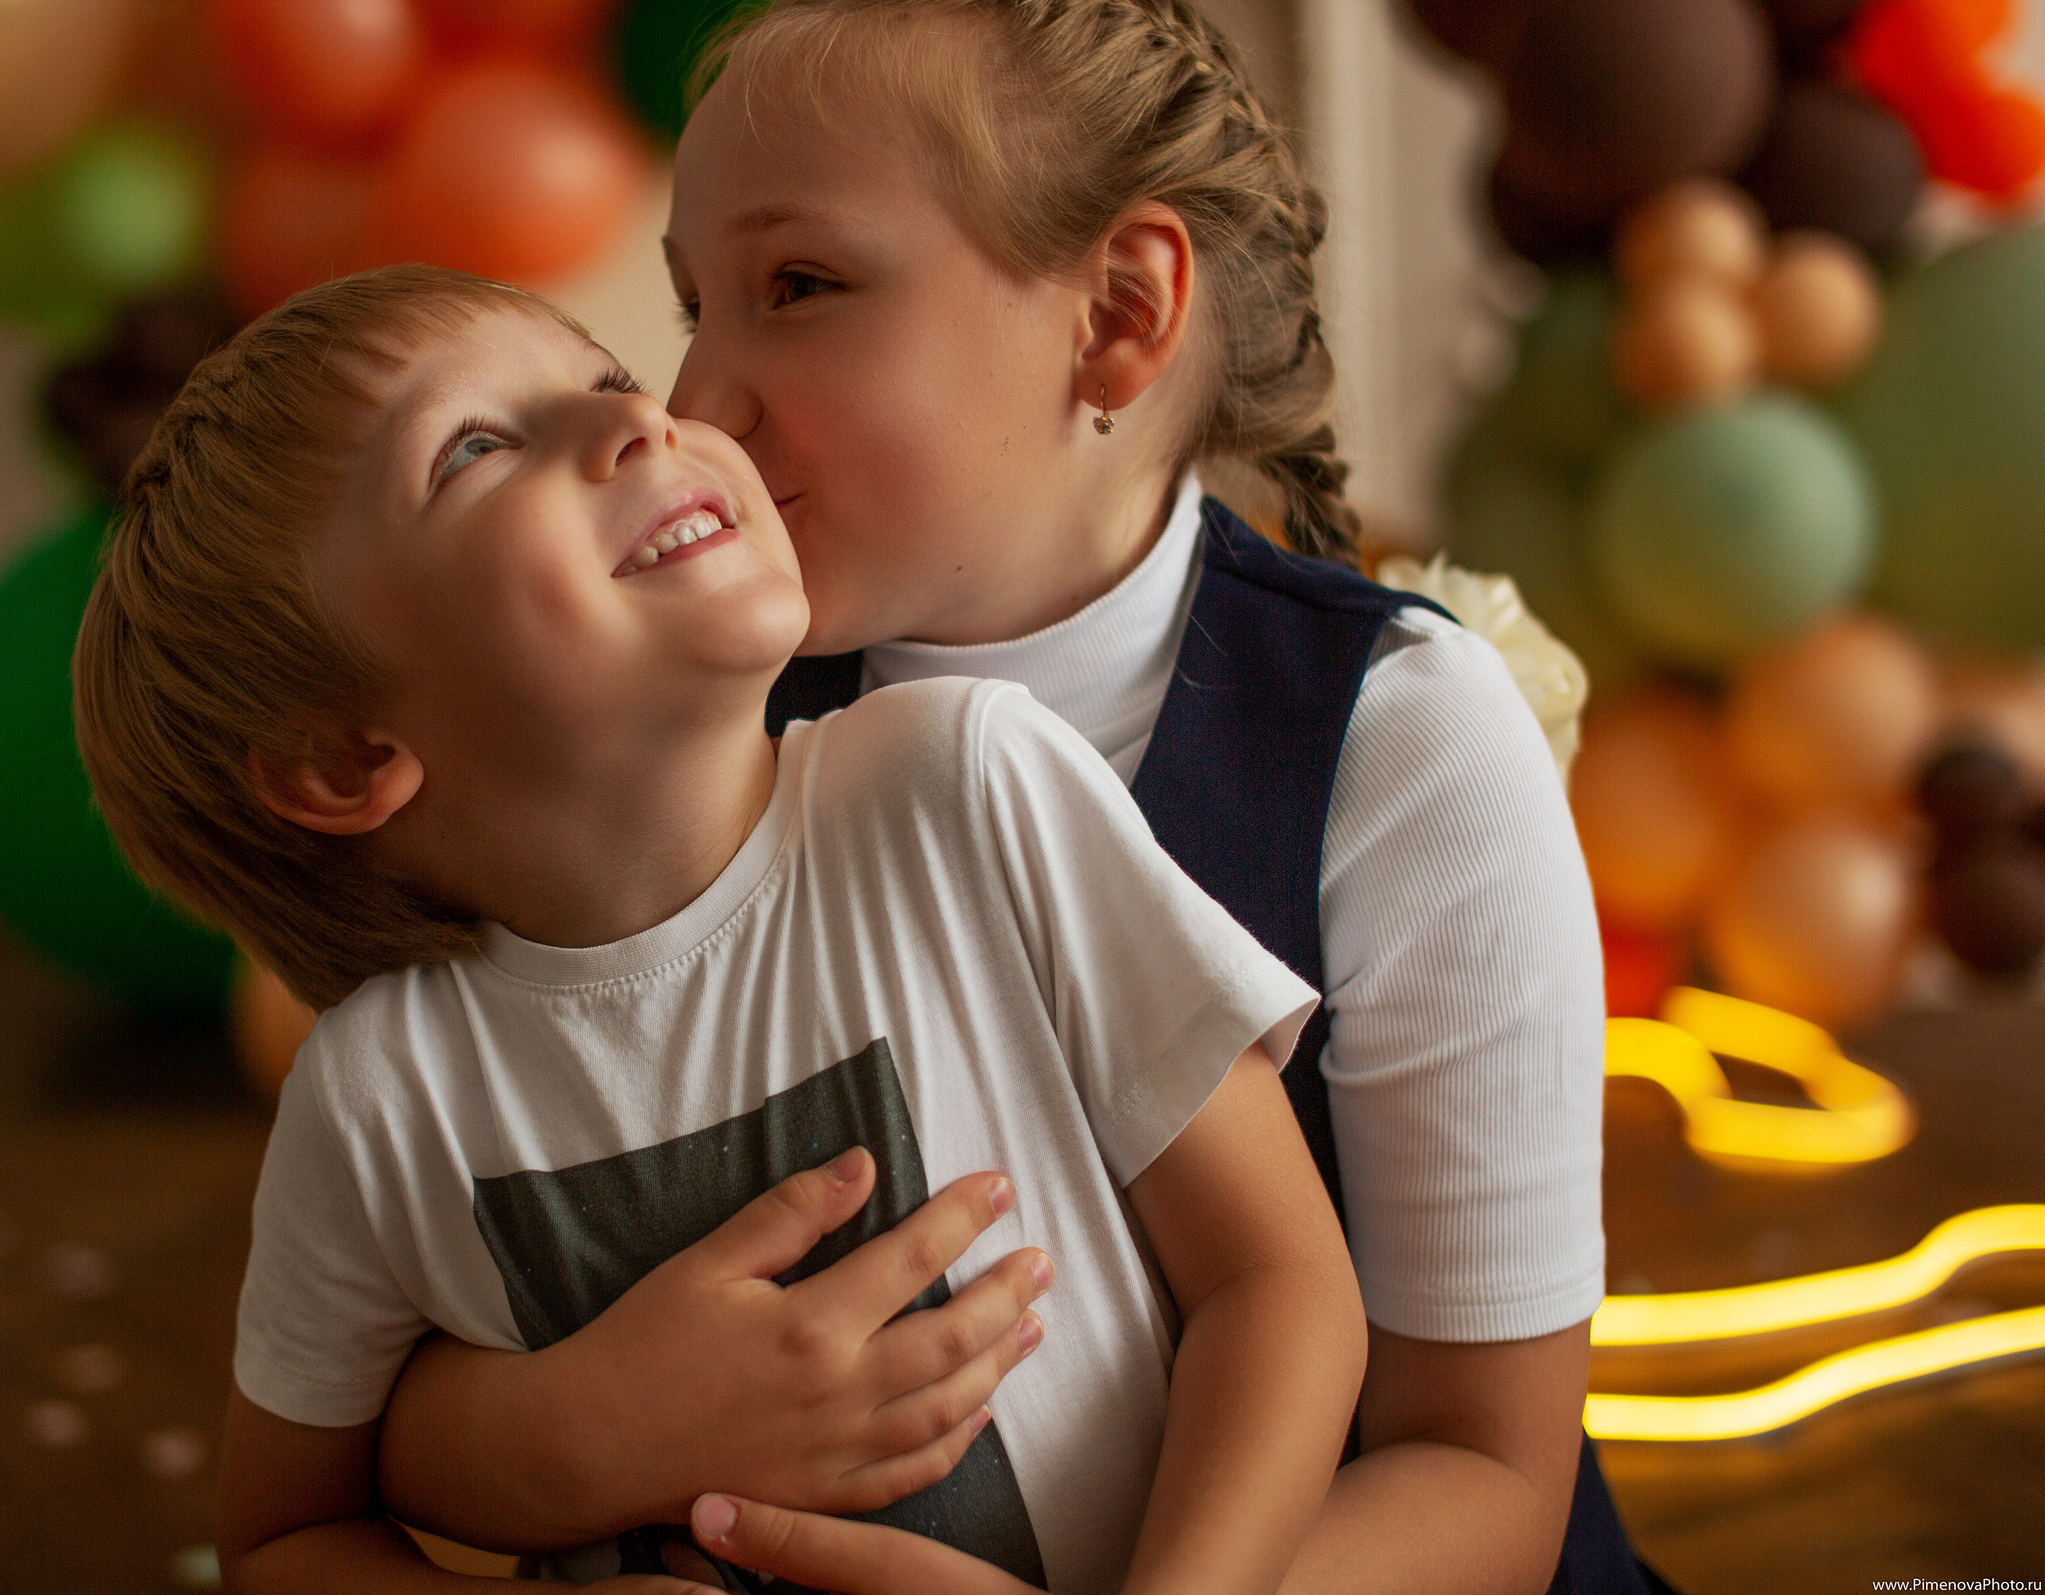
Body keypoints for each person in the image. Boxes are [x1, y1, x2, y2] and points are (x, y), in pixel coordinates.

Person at [374, 0, 1643, 1595]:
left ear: (1117, 317)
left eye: (800, 287)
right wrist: (597, 1425)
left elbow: (1485, 1468)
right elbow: (381, 1399)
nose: (698, 402)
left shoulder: (1398, 748)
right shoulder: (698, 712)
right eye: (695, 306)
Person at [71, 265, 1369, 1594]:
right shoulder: (374, 1101)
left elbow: (1279, 1287)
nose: (641, 424)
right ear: (347, 756)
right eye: (475, 448)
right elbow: (284, 1541)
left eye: (606, 381)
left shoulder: (966, 786)